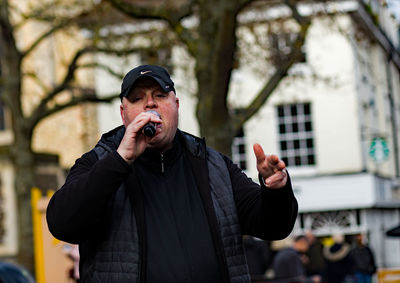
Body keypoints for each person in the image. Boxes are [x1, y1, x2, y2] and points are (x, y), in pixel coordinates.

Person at [46, 64, 298, 283]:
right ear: (124, 114)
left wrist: (275, 190)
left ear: (176, 105)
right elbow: (63, 224)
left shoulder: (214, 166)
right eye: (137, 98)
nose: (150, 103)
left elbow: (273, 226)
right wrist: (120, 160)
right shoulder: (99, 163)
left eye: (159, 95)